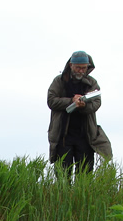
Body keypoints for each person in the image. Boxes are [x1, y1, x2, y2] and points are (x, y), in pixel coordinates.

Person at [47, 50, 112, 179]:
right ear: (71, 65)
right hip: (63, 137)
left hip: (86, 137)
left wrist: (83, 105)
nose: (81, 71)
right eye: (78, 68)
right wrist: (71, 101)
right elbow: (51, 101)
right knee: (62, 176)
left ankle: (82, 199)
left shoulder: (92, 83)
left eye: (84, 68)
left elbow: (96, 103)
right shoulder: (59, 82)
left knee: (85, 176)